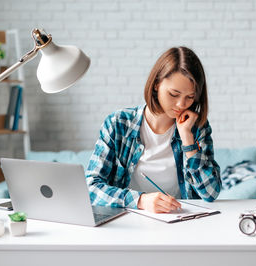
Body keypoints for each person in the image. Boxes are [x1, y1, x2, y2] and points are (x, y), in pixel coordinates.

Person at [86, 46, 221, 213]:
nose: (181, 104)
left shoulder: (197, 127)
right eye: (174, 94)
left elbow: (211, 193)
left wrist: (188, 140)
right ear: (156, 84)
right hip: (128, 221)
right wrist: (140, 200)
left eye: (190, 97)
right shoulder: (118, 123)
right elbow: (91, 188)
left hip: (181, 222)